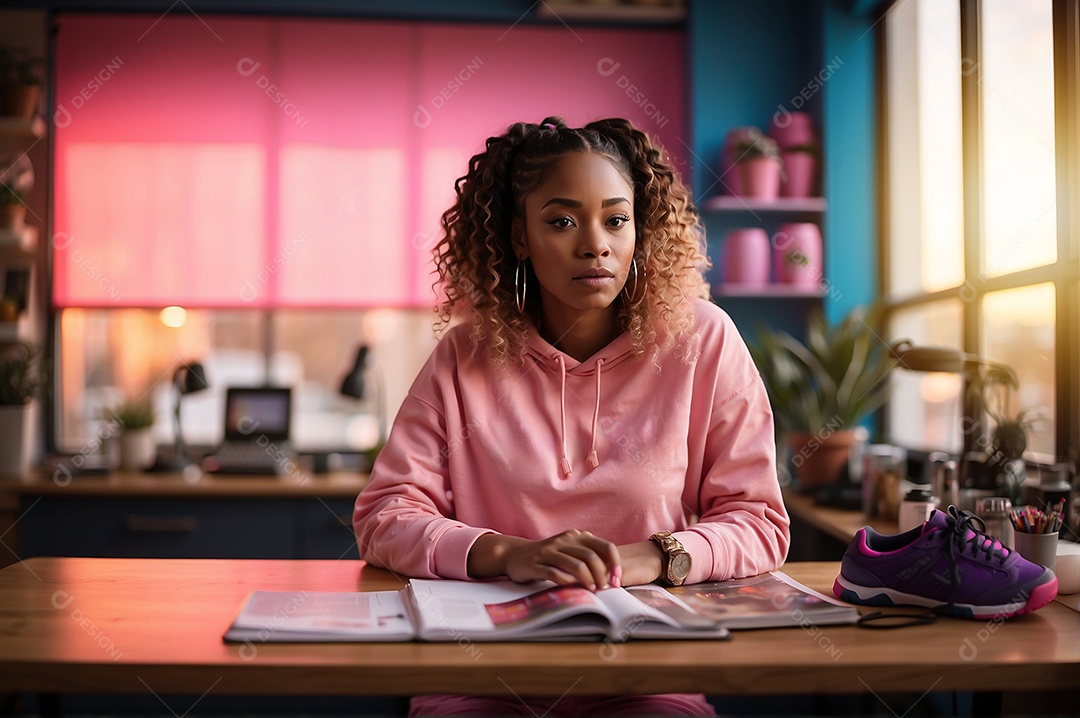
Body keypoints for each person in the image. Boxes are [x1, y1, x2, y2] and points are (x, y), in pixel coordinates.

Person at [353, 116, 790, 717]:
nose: (595, 244)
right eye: (561, 221)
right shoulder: (463, 355)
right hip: (482, 669)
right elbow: (385, 514)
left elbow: (759, 521)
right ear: (519, 236)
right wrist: (508, 554)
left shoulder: (702, 340)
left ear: (641, 229)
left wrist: (656, 556)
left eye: (616, 219)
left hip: (645, 671)